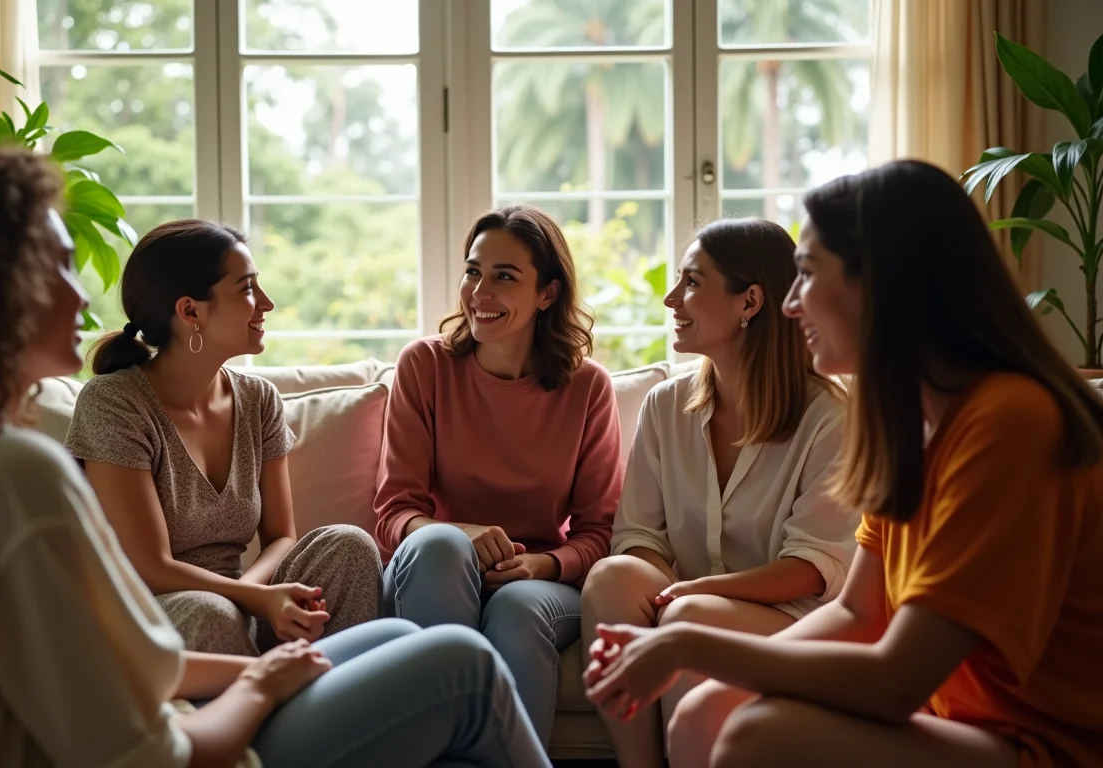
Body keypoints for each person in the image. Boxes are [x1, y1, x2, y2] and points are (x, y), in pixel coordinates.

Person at [0, 147, 553, 768]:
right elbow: (153, 754)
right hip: (200, 746)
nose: (84, 295)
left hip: (183, 697)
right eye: (63, 267)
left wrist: (266, 664)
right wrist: (261, 687)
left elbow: (122, 665)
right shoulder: (15, 478)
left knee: (395, 636)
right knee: (465, 663)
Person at [584, 160, 1103, 768]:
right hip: (954, 724)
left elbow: (897, 678)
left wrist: (688, 644)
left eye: (805, 276)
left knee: (759, 734)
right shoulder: (906, 424)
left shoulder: (1008, 423)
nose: (792, 305)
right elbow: (858, 613)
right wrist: (704, 664)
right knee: (708, 710)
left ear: (878, 285)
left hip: (1041, 745)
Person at [577, 218, 859, 766]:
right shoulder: (665, 406)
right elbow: (638, 535)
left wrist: (693, 594)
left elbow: (812, 566)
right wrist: (667, 590)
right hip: (688, 597)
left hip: (789, 614)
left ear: (749, 301)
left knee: (693, 616)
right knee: (613, 577)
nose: (669, 297)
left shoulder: (827, 416)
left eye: (691, 282)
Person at [64, 220, 382, 656]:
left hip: (243, 598)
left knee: (348, 544)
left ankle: (329, 696)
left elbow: (282, 537)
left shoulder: (258, 399)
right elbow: (149, 567)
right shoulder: (114, 404)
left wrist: (254, 596)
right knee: (210, 612)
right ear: (191, 311)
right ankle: (278, 707)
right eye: (248, 289)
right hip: (162, 615)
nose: (266, 303)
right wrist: (251, 601)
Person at [375, 203, 623, 746]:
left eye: (504, 277)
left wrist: (545, 563)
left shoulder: (588, 389)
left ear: (547, 294)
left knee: (517, 607)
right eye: (472, 272)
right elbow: (395, 516)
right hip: (435, 571)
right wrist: (463, 534)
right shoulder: (424, 366)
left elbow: (601, 533)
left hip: (536, 581)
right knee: (441, 547)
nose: (479, 293)